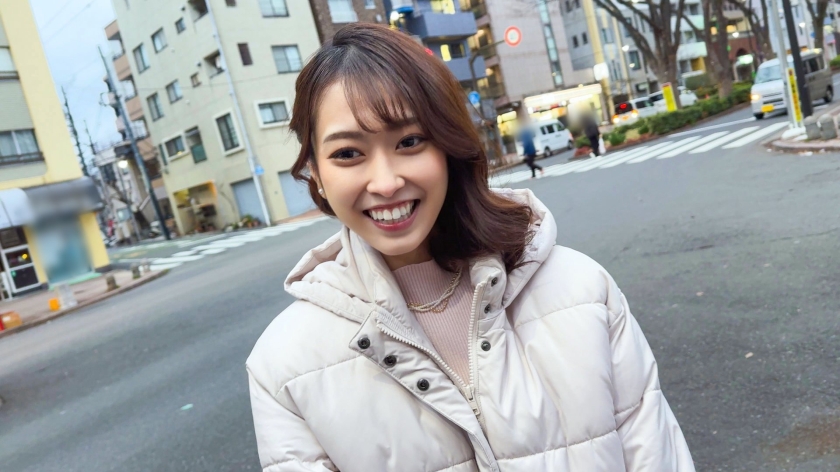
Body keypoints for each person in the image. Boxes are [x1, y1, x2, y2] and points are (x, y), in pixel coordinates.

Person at [247, 24, 694, 472]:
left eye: (409, 142)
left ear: (448, 146)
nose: (385, 182)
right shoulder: (283, 366)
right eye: (348, 153)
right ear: (316, 171)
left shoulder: (582, 290)